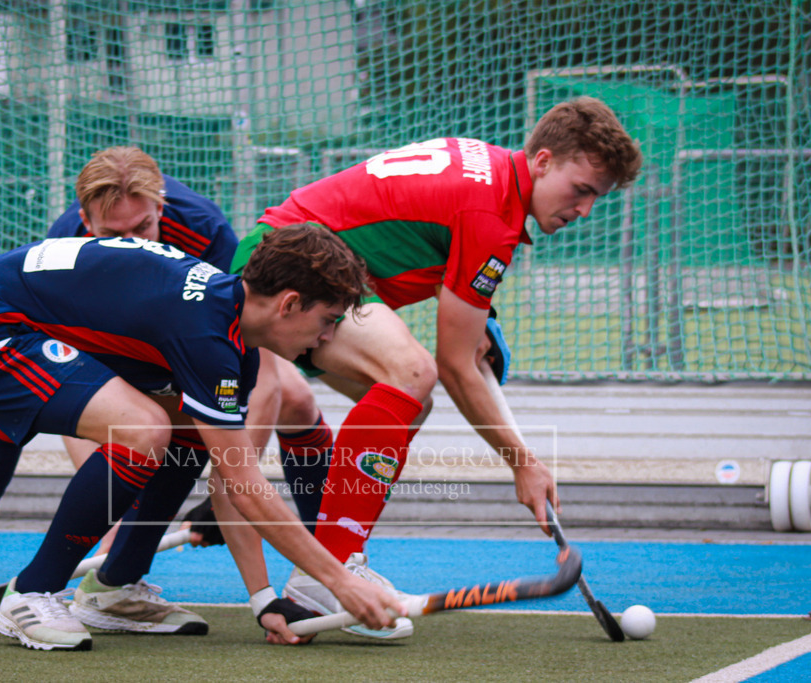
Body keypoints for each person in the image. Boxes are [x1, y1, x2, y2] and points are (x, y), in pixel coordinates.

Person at [230, 96, 643, 634]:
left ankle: (336, 566)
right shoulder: (490, 213)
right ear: (542, 161)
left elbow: (465, 347)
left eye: (597, 198)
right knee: (415, 373)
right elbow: (453, 363)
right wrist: (523, 462)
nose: (584, 209)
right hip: (290, 269)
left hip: (307, 262)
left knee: (409, 404)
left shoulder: (491, 174)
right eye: (581, 189)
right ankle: (322, 581)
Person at [0, 224, 405, 651]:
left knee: (188, 431)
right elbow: (244, 484)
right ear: (289, 304)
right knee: (144, 429)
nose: (325, 338)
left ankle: (115, 588)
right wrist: (342, 582)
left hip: (28, 322)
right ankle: (32, 593)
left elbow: (230, 480)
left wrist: (264, 600)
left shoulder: (235, 339)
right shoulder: (206, 338)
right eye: (328, 320)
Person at [0, 148, 329, 628]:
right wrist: (106, 498)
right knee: (85, 420)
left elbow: (248, 366)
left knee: (200, 420)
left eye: (143, 228)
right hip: (35, 336)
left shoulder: (207, 232)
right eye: (112, 235)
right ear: (85, 218)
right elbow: (77, 390)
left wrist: (226, 485)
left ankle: (117, 587)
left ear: (162, 209)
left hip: (167, 341)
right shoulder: (70, 238)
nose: (129, 241)